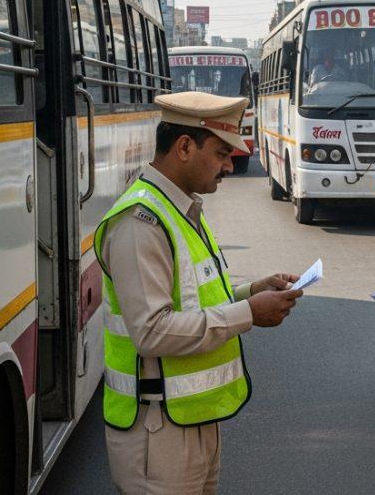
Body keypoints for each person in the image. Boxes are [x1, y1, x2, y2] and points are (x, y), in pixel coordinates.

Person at [94, 91, 304, 494]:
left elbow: (194, 301)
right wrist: (249, 314)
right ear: (185, 147)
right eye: (222, 152)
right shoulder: (142, 222)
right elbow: (151, 332)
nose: (230, 164)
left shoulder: (179, 209)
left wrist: (251, 292)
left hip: (188, 418)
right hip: (157, 432)